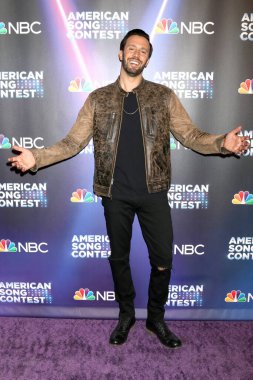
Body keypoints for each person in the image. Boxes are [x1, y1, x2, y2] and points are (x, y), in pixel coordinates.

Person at [8, 29, 249, 349]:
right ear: (120, 54)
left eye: (143, 50)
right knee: (119, 258)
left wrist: (221, 143)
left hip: (154, 192)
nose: (136, 53)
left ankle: (156, 318)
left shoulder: (163, 96)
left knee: (163, 259)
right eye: (131, 48)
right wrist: (36, 156)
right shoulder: (98, 98)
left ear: (148, 58)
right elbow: (72, 143)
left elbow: (191, 136)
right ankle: (126, 315)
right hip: (115, 194)